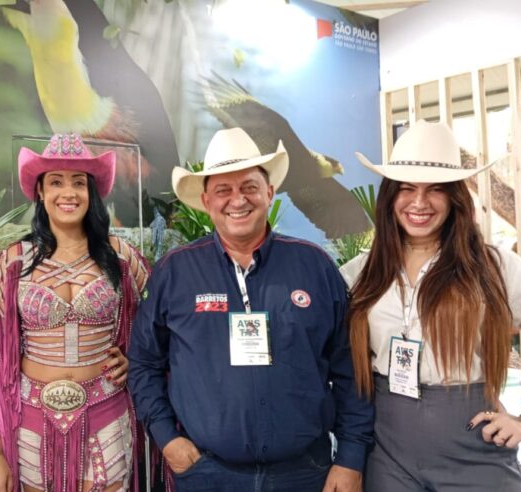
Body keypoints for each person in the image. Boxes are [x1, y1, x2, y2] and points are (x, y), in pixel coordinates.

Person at [128, 127, 374, 492]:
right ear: (207, 200)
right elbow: (144, 364)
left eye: (249, 187)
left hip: (306, 474)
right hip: (208, 475)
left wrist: (351, 458)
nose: (237, 200)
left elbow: (351, 368)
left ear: (269, 192)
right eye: (223, 190)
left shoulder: (315, 267)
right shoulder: (175, 272)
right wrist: (168, 439)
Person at [341, 119, 521, 491]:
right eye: (407, 189)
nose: (419, 203)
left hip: (475, 447)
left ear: (456, 197)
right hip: (387, 452)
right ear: (389, 196)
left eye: (435, 190)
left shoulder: (494, 268)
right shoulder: (359, 273)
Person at [0, 133, 149, 492]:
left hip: (106, 409)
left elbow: (160, 327)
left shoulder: (122, 258)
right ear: (39, 191)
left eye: (78, 183)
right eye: (56, 182)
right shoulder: (14, 261)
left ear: (92, 192)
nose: (68, 193)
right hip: (30, 415)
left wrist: (138, 361)